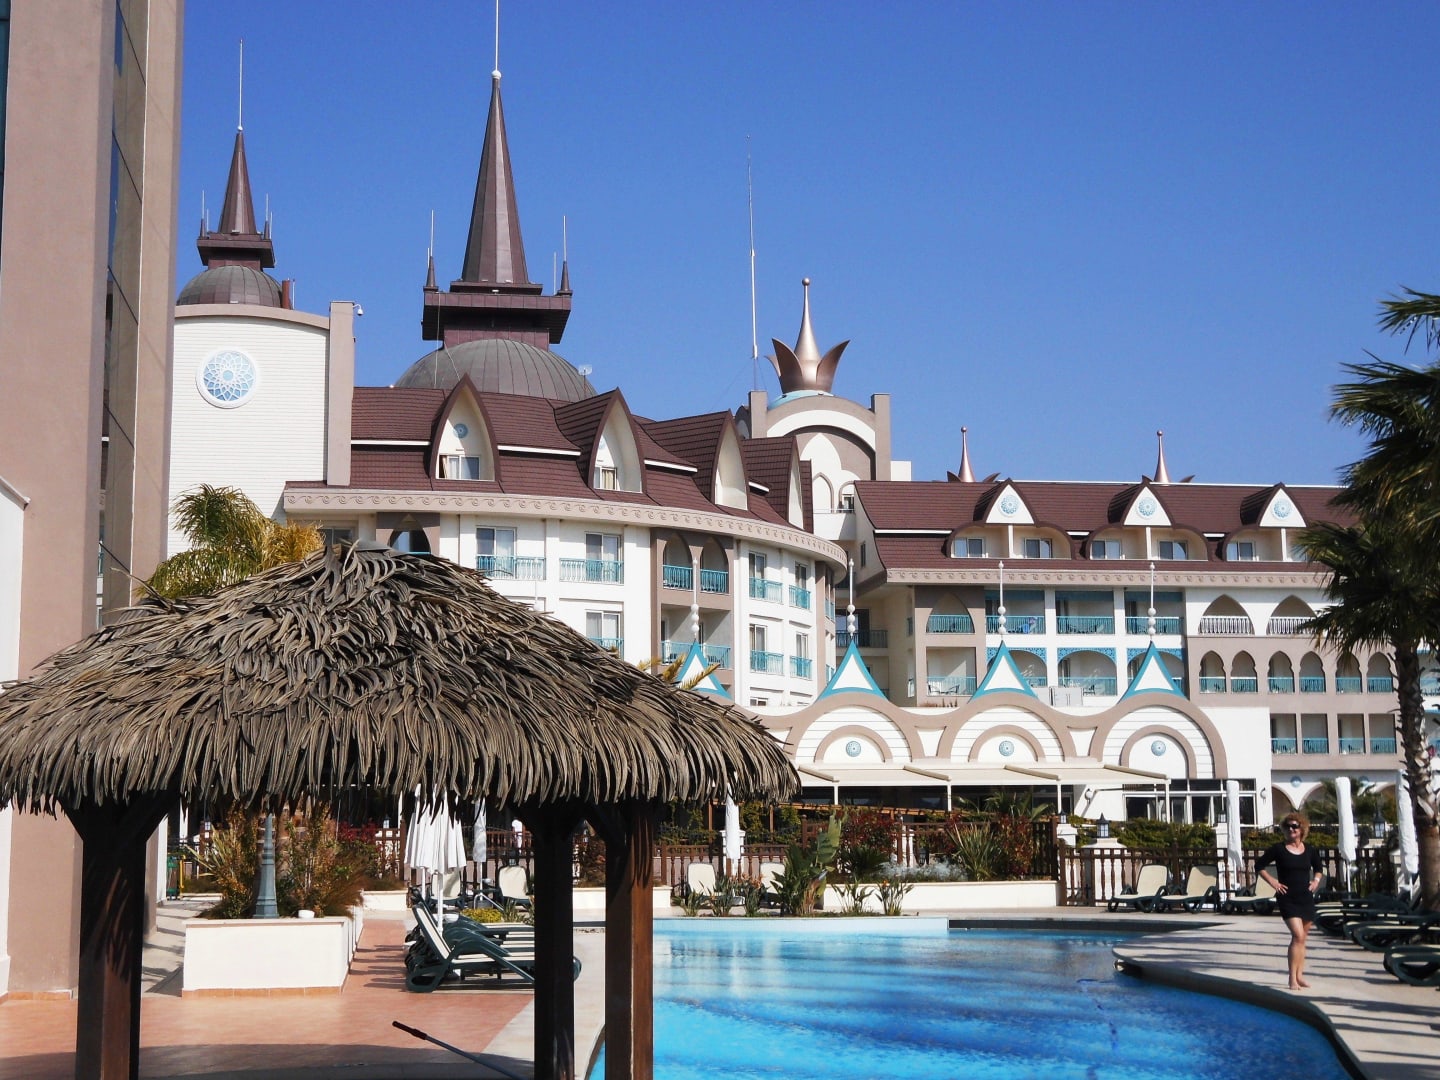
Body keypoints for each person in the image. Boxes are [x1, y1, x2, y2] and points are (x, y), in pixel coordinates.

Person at [1254, 813, 1325, 989]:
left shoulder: (1309, 850)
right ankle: (1292, 978)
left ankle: (1300, 976)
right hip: (1287, 898)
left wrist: (1316, 881)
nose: (1291, 829)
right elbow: (1259, 865)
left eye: (1294, 826)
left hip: (1305, 897)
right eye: (1287, 826)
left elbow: (1319, 868)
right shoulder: (1278, 849)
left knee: (1303, 938)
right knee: (1297, 935)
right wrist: (1273, 882)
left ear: (1302, 829)